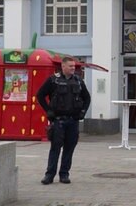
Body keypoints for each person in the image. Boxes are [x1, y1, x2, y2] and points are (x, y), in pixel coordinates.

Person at [37, 56, 91, 185]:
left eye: (74, 66)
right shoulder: (53, 80)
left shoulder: (78, 81)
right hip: (58, 121)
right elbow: (40, 95)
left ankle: (64, 174)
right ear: (63, 67)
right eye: (71, 66)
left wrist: (83, 111)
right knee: (55, 148)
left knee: (69, 148)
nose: (73, 68)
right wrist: (48, 110)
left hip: (73, 121)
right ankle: (49, 175)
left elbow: (87, 98)